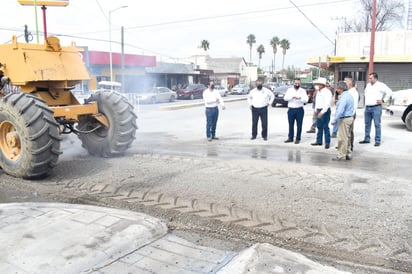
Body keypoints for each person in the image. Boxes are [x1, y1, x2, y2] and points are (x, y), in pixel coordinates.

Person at [359, 72, 392, 147]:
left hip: (376, 107)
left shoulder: (381, 85)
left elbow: (389, 92)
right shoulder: (368, 85)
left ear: (375, 78)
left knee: (377, 124)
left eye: (371, 78)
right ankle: (367, 138)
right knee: (367, 124)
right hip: (368, 107)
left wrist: (383, 100)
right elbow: (365, 93)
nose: (369, 79)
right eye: (369, 78)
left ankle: (377, 140)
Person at [330, 81, 354, 161]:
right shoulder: (349, 95)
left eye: (337, 88)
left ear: (340, 89)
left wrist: (334, 120)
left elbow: (340, 110)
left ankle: (341, 155)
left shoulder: (344, 97)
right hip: (350, 117)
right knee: (348, 137)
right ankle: (348, 153)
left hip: (344, 119)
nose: (336, 89)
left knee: (342, 138)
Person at [284, 78, 309, 144]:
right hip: (291, 109)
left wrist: (300, 98)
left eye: (298, 83)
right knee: (291, 125)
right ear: (293, 83)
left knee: (299, 125)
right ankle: (290, 138)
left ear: (300, 84)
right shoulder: (289, 90)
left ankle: (298, 138)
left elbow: (306, 100)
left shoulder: (303, 91)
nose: (297, 84)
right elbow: (285, 98)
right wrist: (292, 97)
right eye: (296, 83)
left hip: (299, 109)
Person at [311, 77, 332, 149]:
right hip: (319, 110)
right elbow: (317, 102)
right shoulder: (318, 92)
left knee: (325, 126)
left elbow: (327, 104)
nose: (317, 85)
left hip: (325, 111)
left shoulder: (327, 92)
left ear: (322, 85)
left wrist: (322, 112)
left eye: (319, 84)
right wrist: (315, 110)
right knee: (319, 126)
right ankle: (319, 141)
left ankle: (327, 142)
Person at [344, 76, 359, 152]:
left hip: (350, 114)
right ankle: (346, 145)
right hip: (350, 114)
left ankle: (349, 147)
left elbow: (353, 105)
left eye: (346, 81)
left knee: (349, 131)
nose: (344, 83)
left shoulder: (352, 92)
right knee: (347, 131)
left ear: (350, 84)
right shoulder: (349, 91)